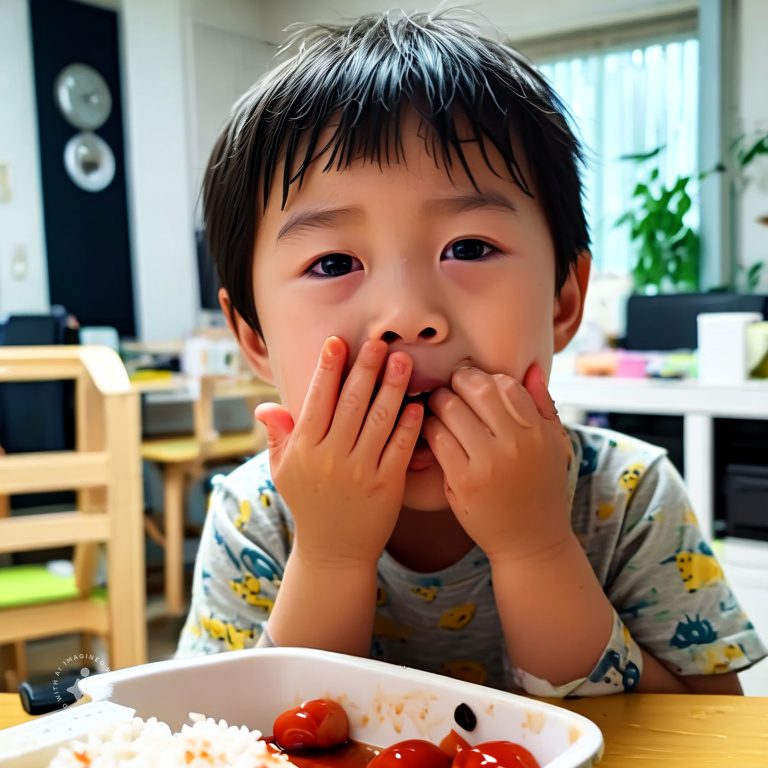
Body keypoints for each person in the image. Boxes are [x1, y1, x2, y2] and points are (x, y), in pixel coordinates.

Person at [176, 8, 766, 696]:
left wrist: (534, 545)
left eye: (469, 248)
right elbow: (233, 735)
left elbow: (706, 732)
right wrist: (332, 552)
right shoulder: (257, 516)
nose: (407, 316)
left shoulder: (626, 497)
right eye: (334, 262)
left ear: (563, 301)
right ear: (254, 337)